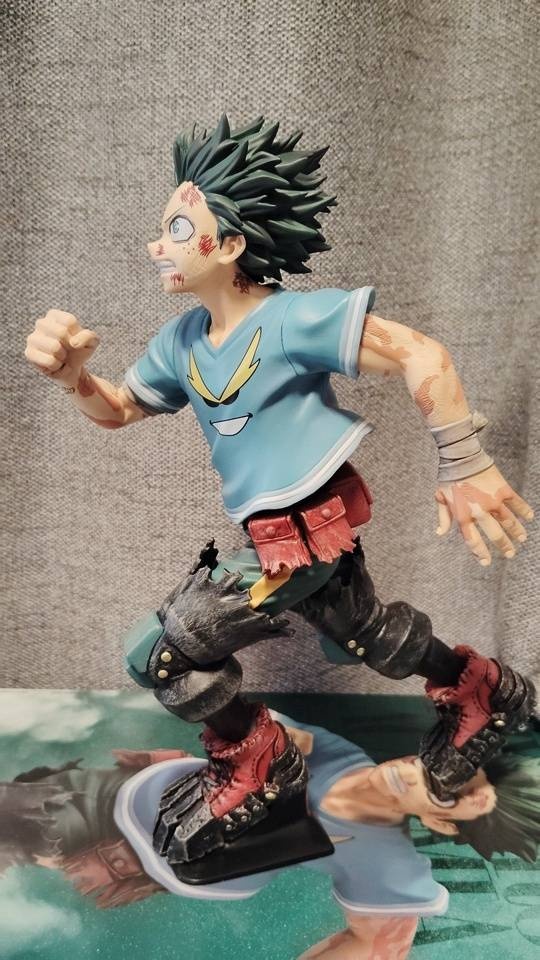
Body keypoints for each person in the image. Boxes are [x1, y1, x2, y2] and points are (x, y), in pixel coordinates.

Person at [24, 114, 536, 881]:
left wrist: (464, 462)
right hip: (279, 537)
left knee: (163, 653)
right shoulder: (181, 343)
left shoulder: (293, 321)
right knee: (366, 634)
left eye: (177, 228)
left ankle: (256, 761)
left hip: (308, 535)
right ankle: (479, 690)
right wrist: (74, 378)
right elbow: (120, 409)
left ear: (230, 243)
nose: (157, 245)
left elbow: (417, 352)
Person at [3, 716, 539, 960]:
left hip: (150, 865)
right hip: (120, 796)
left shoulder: (389, 864)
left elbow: (380, 946)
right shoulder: (335, 750)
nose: (426, 775)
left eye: (449, 792)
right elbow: (254, 730)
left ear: (442, 824)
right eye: (444, 764)